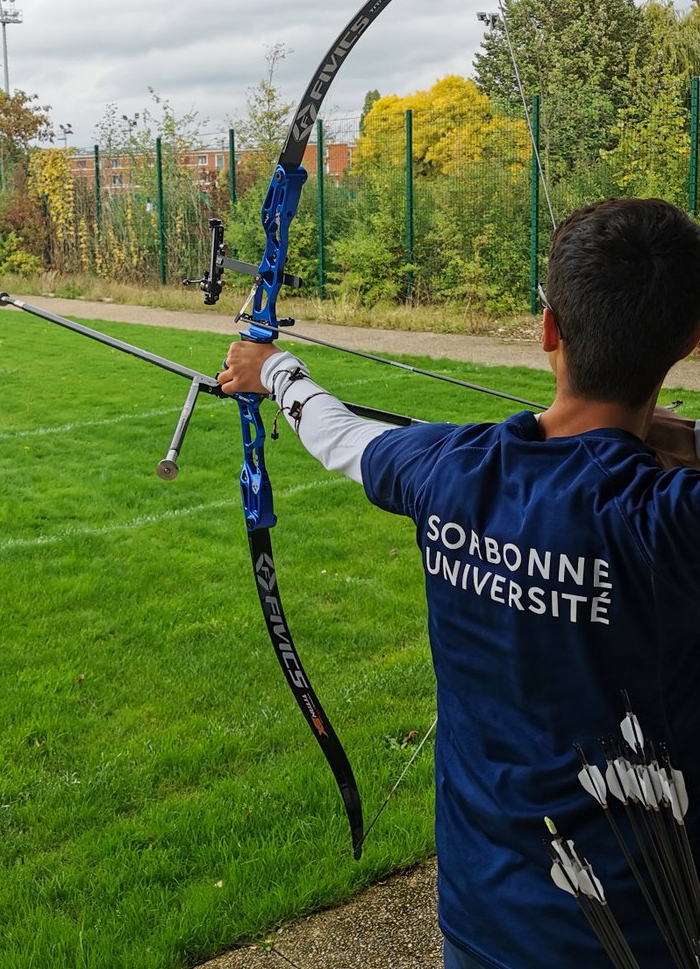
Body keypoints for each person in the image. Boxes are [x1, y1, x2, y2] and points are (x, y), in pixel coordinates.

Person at [217, 198, 700, 969]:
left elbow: (337, 435)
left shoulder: (447, 469)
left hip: (483, 918)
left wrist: (274, 369)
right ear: (688, 341)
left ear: (549, 331)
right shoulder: (669, 519)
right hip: (645, 940)